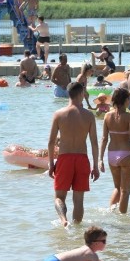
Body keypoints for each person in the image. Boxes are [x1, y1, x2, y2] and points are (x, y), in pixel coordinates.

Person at [48, 82, 99, 227]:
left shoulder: (59, 114)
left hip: (64, 158)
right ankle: (77, 231)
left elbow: (51, 142)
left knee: (59, 197)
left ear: (68, 94)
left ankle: (64, 221)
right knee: (79, 200)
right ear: (81, 94)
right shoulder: (89, 115)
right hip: (82, 159)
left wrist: (51, 164)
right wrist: (95, 165)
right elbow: (94, 143)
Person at [99, 87, 130, 213]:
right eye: (129, 98)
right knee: (125, 190)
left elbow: (104, 139)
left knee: (117, 187)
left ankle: (110, 211)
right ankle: (122, 219)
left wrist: (100, 159)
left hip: (111, 155)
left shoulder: (107, 116)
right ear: (126, 100)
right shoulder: (129, 117)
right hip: (126, 154)